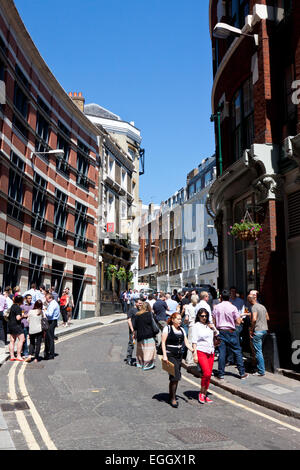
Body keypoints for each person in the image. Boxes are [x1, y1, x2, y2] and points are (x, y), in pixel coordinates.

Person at [212, 289, 248, 380]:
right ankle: (242, 373)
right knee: (237, 351)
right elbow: (239, 321)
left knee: (222, 353)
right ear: (229, 298)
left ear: (221, 297)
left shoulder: (216, 307)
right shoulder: (233, 307)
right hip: (231, 331)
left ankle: (221, 374)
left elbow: (213, 320)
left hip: (220, 331)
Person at [161, 312, 195, 408]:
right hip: (170, 354)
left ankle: (171, 395)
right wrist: (164, 356)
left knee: (175, 377)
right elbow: (163, 342)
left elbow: (186, 342)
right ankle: (173, 399)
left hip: (179, 355)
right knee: (175, 376)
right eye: (178, 319)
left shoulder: (182, 330)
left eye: (180, 319)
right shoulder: (167, 328)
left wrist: (192, 350)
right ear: (172, 319)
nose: (180, 321)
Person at [192, 308, 220, 404]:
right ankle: (201, 393)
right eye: (202, 316)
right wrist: (194, 354)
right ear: (198, 316)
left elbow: (217, 334)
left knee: (208, 376)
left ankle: (205, 393)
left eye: (206, 316)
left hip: (211, 351)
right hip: (201, 351)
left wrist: (213, 328)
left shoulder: (209, 325)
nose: (204, 318)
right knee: (207, 373)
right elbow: (194, 341)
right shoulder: (196, 326)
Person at [248, 294, 269, 376]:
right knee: (260, 351)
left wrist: (251, 330)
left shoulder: (254, 307)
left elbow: (254, 319)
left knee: (258, 352)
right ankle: (261, 367)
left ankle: (261, 371)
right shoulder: (262, 306)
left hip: (258, 331)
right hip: (265, 330)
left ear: (250, 300)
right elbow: (267, 318)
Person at [132, 302, 157, 371]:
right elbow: (154, 324)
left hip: (140, 336)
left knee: (141, 351)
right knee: (149, 351)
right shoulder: (150, 314)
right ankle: (147, 365)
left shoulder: (137, 315)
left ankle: (140, 364)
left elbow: (135, 327)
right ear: (149, 307)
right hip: (149, 335)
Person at [125, 298, 143, 366]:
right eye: (139, 303)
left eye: (141, 303)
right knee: (131, 344)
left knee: (140, 344)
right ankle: (129, 358)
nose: (140, 304)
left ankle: (139, 359)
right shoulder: (132, 310)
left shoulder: (141, 310)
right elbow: (129, 320)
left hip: (140, 330)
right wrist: (132, 330)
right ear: (136, 303)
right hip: (133, 330)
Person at [7, 295, 25, 361]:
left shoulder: (12, 306)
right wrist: (22, 315)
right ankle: (18, 356)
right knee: (21, 339)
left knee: (12, 341)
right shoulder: (18, 307)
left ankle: (12, 356)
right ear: (20, 301)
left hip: (10, 325)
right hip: (16, 325)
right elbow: (18, 318)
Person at [184, 294, 199, 366]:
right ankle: (195, 358)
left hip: (191, 325)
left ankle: (189, 359)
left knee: (190, 342)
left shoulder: (188, 306)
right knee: (197, 343)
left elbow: (186, 318)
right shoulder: (199, 306)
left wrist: (185, 323)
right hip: (198, 326)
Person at [44, 293, 60, 360]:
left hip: (51, 322)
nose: (46, 300)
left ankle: (51, 354)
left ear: (50, 298)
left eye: (46, 299)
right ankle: (49, 353)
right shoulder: (54, 303)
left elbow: (50, 314)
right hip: (53, 321)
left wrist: (45, 311)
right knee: (48, 338)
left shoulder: (53, 304)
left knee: (50, 338)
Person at [21, 294, 34, 358]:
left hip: (32, 324)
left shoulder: (33, 305)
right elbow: (22, 315)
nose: (30, 299)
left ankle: (31, 352)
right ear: (26, 299)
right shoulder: (22, 306)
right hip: (24, 323)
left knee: (32, 338)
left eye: (31, 298)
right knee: (24, 339)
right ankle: (25, 352)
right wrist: (26, 315)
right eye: (29, 298)